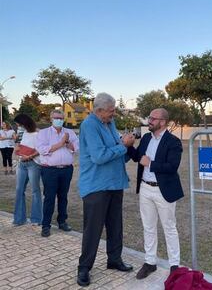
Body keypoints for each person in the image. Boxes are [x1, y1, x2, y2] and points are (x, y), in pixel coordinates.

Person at [77, 93, 135, 287]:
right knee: (93, 229)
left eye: (114, 110)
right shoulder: (89, 125)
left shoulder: (110, 123)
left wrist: (125, 146)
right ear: (99, 110)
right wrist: (123, 146)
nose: (114, 113)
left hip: (115, 183)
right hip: (96, 186)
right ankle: (84, 268)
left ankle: (114, 259)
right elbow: (99, 156)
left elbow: (116, 148)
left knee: (115, 224)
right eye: (111, 111)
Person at [128, 108, 184, 280]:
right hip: (145, 188)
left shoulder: (173, 142)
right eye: (149, 117)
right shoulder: (146, 138)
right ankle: (150, 262)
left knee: (169, 227)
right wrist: (129, 147)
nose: (150, 120)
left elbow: (172, 166)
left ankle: (174, 266)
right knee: (148, 226)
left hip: (163, 190)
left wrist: (151, 164)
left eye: (153, 118)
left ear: (163, 122)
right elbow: (138, 157)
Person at [36, 109, 79, 237]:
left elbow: (77, 148)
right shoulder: (43, 133)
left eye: (61, 118)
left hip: (66, 169)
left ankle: (62, 221)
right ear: (51, 119)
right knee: (49, 197)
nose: (59, 120)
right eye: (56, 118)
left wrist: (67, 142)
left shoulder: (69, 133)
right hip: (50, 170)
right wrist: (60, 143)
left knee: (63, 196)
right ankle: (46, 225)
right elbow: (42, 150)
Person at [12, 114, 42, 226]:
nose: (17, 126)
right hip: (21, 164)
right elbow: (17, 147)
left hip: (33, 164)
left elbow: (41, 149)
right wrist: (18, 150)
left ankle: (37, 219)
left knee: (35, 191)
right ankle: (19, 219)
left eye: (18, 124)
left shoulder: (38, 134)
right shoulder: (21, 134)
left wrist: (29, 156)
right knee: (19, 190)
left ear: (24, 123)